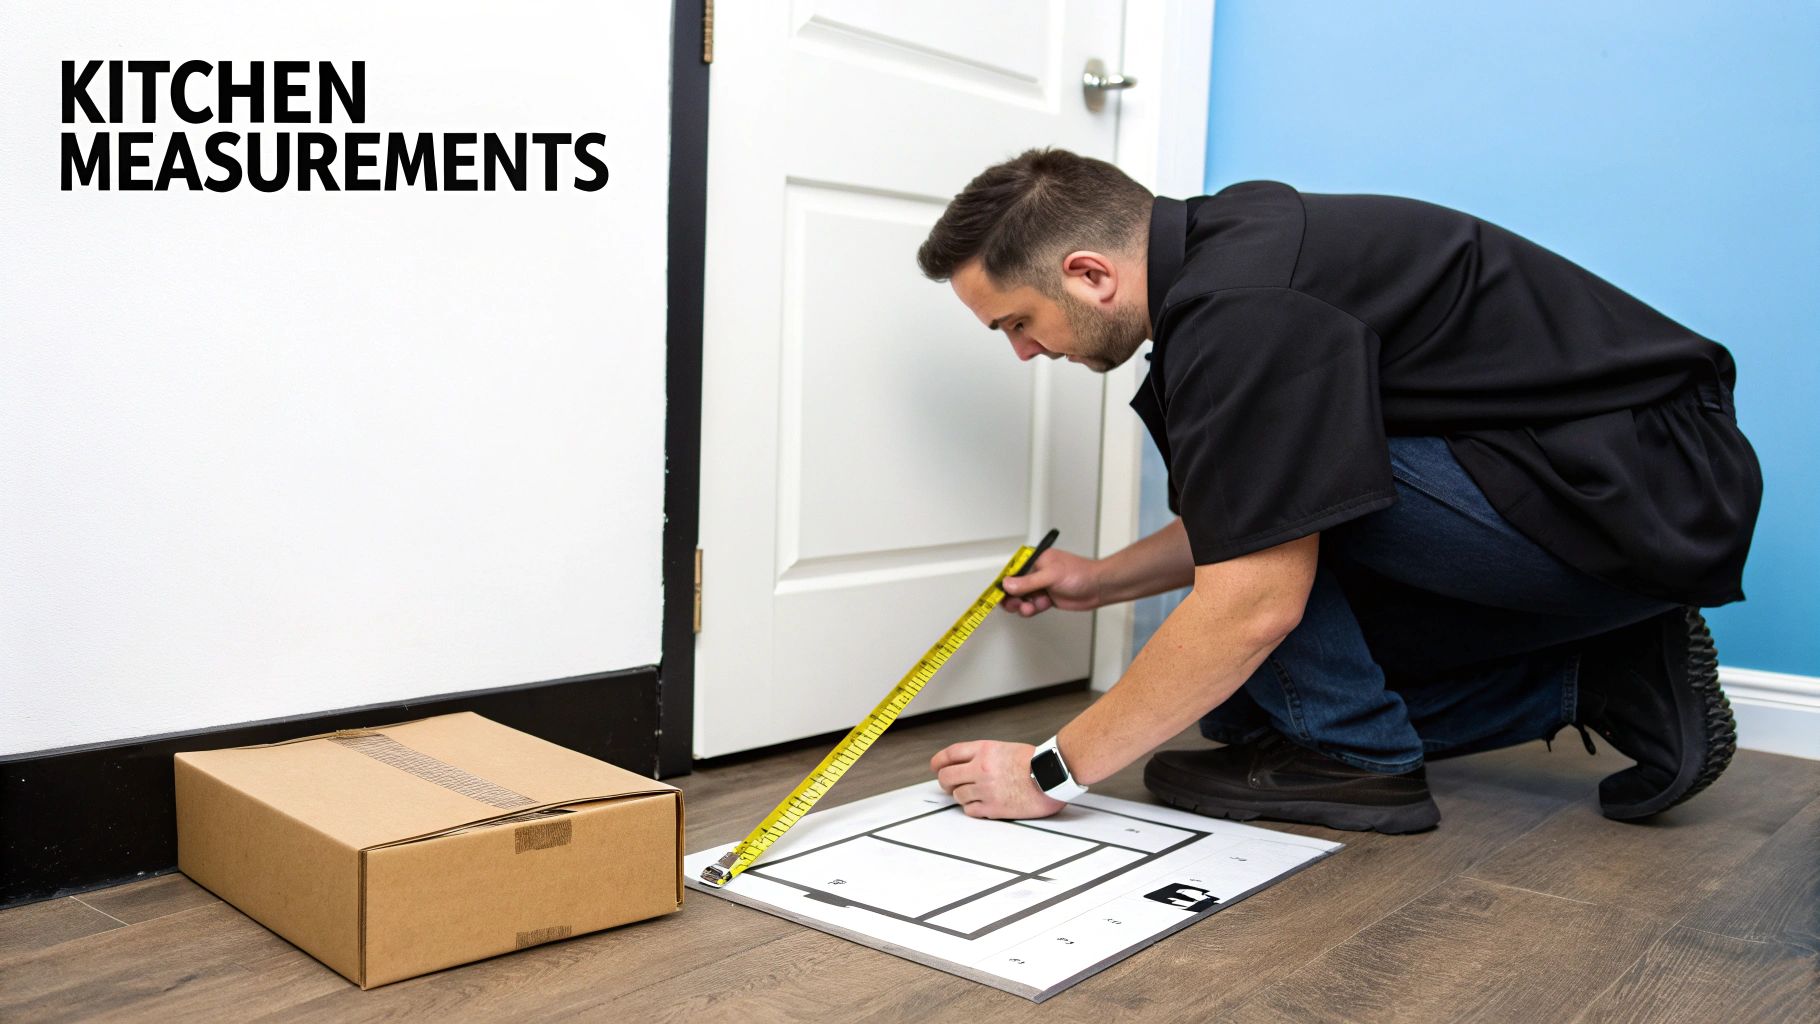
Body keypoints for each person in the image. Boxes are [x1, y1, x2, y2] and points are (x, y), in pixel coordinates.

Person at [919, 149, 1761, 833]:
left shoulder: (1242, 309)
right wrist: (1101, 580)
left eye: (1018, 323)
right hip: (1610, 496)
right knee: (1253, 720)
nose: (1025, 353)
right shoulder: (1229, 256)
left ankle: (1363, 760)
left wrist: (1048, 771)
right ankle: (1601, 673)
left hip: (1642, 500)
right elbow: (1254, 506)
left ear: (1090, 274)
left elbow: (1255, 590)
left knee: (1261, 645)